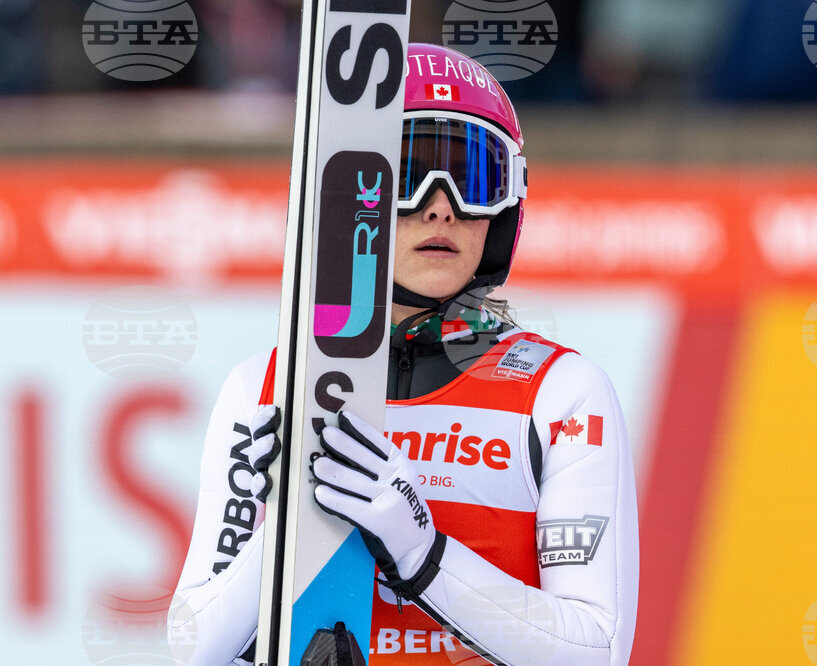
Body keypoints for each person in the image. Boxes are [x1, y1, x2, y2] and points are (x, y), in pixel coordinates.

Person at [169, 43, 639, 665]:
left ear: (505, 208)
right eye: (408, 174)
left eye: (474, 177)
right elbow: (188, 650)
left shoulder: (560, 394)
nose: (442, 204)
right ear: (346, 194)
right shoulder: (265, 389)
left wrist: (423, 554)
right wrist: (282, 535)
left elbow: (596, 650)